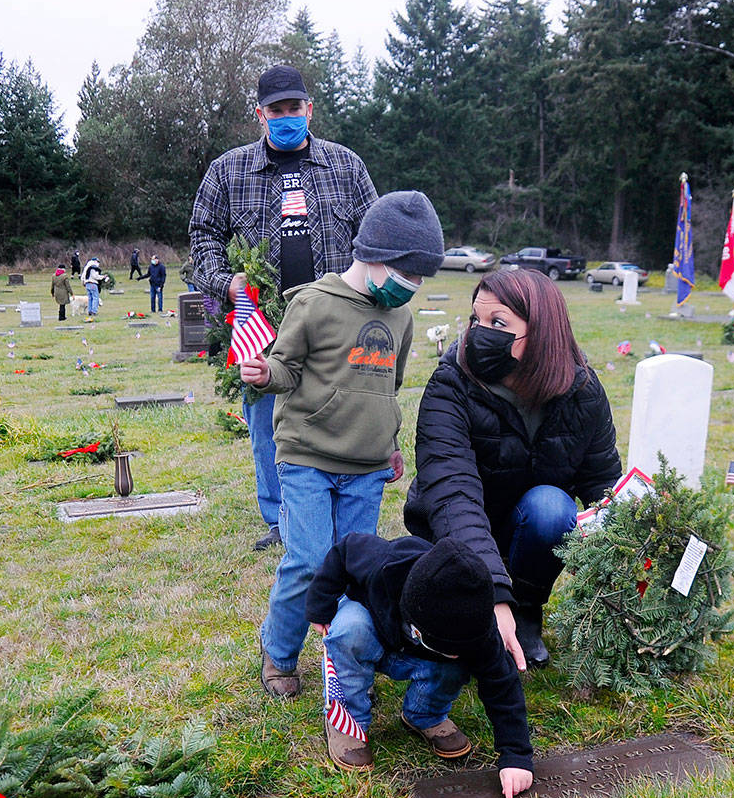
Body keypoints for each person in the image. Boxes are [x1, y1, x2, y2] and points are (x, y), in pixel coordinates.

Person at [238, 190, 444, 699]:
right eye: (408, 273)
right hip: (308, 455)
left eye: (421, 278)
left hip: (367, 466)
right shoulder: (313, 303)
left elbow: (387, 387)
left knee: (356, 571)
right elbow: (286, 368)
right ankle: (279, 651)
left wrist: (390, 443)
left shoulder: (401, 317)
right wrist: (265, 372)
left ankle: (347, 665)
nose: (412, 286)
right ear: (376, 255)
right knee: (309, 560)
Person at [190, 64, 379, 552]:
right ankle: (280, 520)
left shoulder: (347, 166)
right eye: (277, 110)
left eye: (295, 107)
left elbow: (375, 237)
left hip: (339, 321)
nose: (287, 116)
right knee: (267, 424)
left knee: (340, 411)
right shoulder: (228, 170)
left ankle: (338, 506)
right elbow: (202, 236)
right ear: (261, 115)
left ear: (309, 109)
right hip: (263, 323)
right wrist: (225, 282)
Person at [404, 268, 622, 671]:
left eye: (497, 323)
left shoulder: (582, 391)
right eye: (476, 319)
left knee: (553, 508)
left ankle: (525, 614)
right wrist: (492, 595)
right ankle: (483, 611)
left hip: (528, 530)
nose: (478, 332)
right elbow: (453, 494)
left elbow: (601, 482)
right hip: (455, 529)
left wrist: (635, 547)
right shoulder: (451, 383)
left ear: (540, 331)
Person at [306, 533, 533, 798]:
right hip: (370, 626)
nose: (455, 653)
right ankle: (349, 720)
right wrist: (320, 604)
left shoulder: (479, 629)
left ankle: (425, 713)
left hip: (421, 655)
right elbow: (344, 549)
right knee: (349, 631)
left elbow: (503, 686)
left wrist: (517, 757)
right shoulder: (384, 564)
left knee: (458, 666)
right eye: (448, 648)